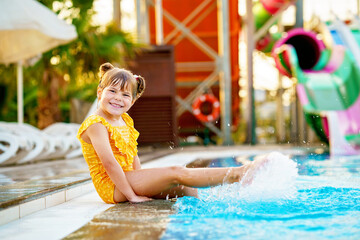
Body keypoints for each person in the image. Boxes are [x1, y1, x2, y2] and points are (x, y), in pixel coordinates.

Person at [77, 62, 269, 204]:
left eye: (125, 95)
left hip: (128, 178)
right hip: (112, 187)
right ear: (99, 92)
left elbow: (132, 155)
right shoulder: (96, 124)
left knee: (183, 188)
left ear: (133, 101)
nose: (118, 98)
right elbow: (109, 163)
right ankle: (239, 173)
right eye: (112, 91)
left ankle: (220, 205)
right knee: (176, 172)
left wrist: (145, 180)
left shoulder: (124, 120)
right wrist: (132, 195)